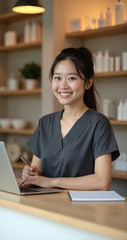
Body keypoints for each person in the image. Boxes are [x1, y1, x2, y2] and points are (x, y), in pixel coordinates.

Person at [19, 47, 120, 190]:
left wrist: (52, 182)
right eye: (57, 78)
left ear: (88, 83)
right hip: (43, 205)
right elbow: (36, 171)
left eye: (71, 78)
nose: (63, 85)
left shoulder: (98, 123)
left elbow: (102, 182)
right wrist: (30, 174)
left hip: (80, 209)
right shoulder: (45, 123)